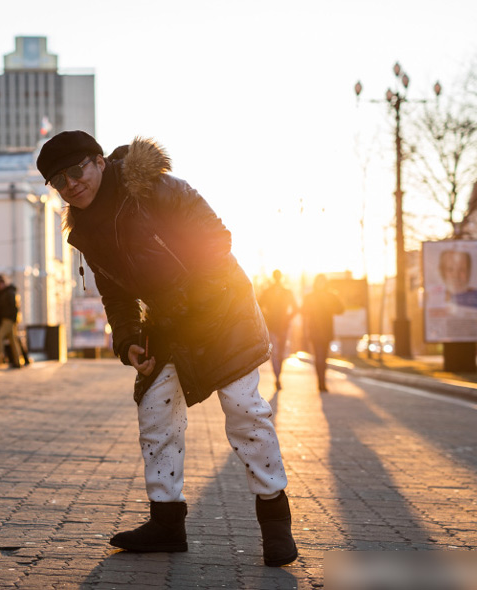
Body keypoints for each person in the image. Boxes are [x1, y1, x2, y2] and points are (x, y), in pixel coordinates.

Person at [36, 130, 297, 567]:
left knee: (244, 410)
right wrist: (130, 339)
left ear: (99, 161)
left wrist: (190, 301)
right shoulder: (85, 231)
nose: (70, 185)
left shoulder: (152, 187)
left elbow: (216, 240)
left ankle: (275, 521)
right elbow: (116, 296)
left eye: (76, 170)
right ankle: (167, 523)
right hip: (170, 322)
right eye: (58, 181)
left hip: (221, 308)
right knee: (156, 412)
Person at [301, 274, 343, 393]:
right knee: (319, 356)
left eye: (322, 282)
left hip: (326, 330)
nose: (321, 284)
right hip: (315, 330)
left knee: (323, 357)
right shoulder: (311, 297)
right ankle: (321, 382)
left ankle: (321, 381)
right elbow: (303, 311)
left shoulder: (330, 296)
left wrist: (331, 307)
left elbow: (341, 309)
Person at [258, 270, 297, 391]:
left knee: (280, 353)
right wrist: (267, 317)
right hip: (273, 326)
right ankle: (277, 378)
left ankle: (278, 375)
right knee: (276, 353)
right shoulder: (268, 292)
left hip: (282, 326)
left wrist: (287, 318)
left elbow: (295, 308)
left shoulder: (286, 292)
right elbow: (258, 305)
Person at [0, 275, 25, 369]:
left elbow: (14, 307)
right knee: (13, 340)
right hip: (6, 319)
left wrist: (14, 320)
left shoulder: (9, 292)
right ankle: (18, 360)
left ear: (2, 284)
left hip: (9, 320)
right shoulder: (4, 293)